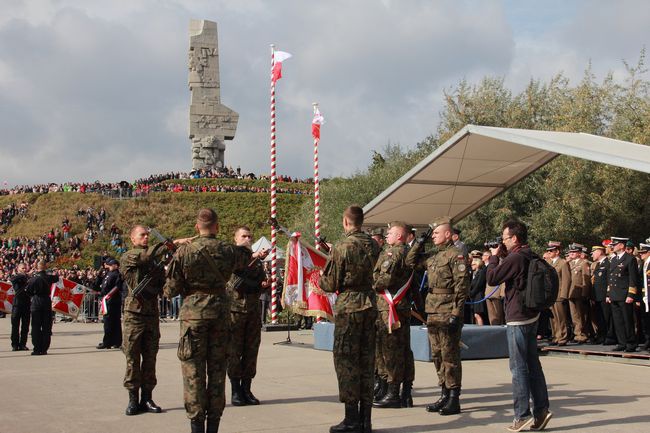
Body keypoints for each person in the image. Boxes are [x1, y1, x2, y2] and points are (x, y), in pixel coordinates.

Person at [165, 209, 263, 433]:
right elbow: (247, 259)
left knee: (194, 374)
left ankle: (197, 426)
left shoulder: (184, 252)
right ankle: (214, 425)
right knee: (217, 372)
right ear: (217, 227)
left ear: (196, 227)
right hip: (221, 314)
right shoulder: (228, 250)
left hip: (193, 318)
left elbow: (170, 290)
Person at [486, 220, 552, 432]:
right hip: (532, 315)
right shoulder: (529, 254)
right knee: (533, 365)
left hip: (518, 317)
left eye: (505, 238)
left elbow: (492, 277)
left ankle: (522, 415)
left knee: (518, 368)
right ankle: (541, 411)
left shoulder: (515, 257)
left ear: (514, 238)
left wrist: (494, 257)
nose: (502, 242)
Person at [320, 205, 380, 433]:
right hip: (370, 304)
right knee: (367, 360)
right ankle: (366, 419)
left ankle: (351, 418)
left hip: (349, 307)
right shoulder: (374, 245)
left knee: (346, 361)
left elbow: (331, 283)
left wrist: (321, 278)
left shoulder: (342, 246)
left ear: (346, 222)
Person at [406, 217, 469, 416]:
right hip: (433, 310)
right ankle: (443, 393)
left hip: (448, 309)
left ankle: (453, 397)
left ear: (448, 234)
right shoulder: (434, 257)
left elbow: (462, 287)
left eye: (436, 233)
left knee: (450, 356)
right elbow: (410, 261)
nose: (433, 236)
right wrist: (419, 242)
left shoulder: (456, 256)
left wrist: (456, 313)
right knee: (437, 355)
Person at [121, 225, 185, 416]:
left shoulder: (153, 263)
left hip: (151, 314)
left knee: (150, 358)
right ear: (132, 238)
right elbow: (147, 256)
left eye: (147, 235)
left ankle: (147, 397)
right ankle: (133, 399)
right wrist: (173, 243)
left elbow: (163, 286)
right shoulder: (130, 256)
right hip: (134, 315)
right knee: (132, 358)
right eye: (142, 235)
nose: (146, 237)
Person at [372, 221, 414, 409]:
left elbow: (385, 279)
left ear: (399, 236)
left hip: (391, 307)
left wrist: (368, 283)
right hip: (394, 307)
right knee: (397, 350)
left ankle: (393, 393)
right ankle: (400, 392)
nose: (387, 235)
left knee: (391, 351)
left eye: (390, 233)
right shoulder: (400, 252)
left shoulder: (395, 252)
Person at [227, 226, 269, 406]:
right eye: (243, 236)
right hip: (235, 311)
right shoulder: (231, 257)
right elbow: (235, 273)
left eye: (250, 236)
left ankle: (247, 388)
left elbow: (258, 281)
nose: (247, 239)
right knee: (234, 352)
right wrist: (252, 257)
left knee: (251, 351)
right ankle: (236, 391)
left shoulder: (257, 261)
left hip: (252, 310)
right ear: (236, 238)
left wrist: (264, 285)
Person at [606, 237, 639, 352]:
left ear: (621, 245)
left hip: (625, 294)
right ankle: (622, 342)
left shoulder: (630, 259)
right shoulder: (614, 259)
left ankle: (631, 343)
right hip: (615, 294)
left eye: (614, 244)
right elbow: (610, 278)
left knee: (627, 320)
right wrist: (608, 294)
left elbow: (633, 279)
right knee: (618, 321)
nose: (612, 247)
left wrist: (631, 294)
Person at [25, 260, 59, 356]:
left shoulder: (33, 279)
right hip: (46, 302)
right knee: (46, 326)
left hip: (36, 301)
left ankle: (37, 348)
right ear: (45, 267)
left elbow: (28, 291)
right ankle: (44, 348)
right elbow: (56, 278)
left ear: (37, 267)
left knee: (36, 326)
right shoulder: (49, 277)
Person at [545, 242, 571, 346]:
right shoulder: (549, 263)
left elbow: (566, 280)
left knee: (561, 317)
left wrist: (564, 294)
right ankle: (556, 336)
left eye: (551, 251)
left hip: (559, 294)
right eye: (548, 251)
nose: (549, 252)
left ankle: (563, 337)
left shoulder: (563, 263)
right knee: (553, 318)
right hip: (551, 295)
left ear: (557, 252)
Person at [567, 243, 592, 343]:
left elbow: (586, 279)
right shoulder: (570, 263)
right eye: (571, 252)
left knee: (581, 315)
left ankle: (583, 334)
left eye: (574, 252)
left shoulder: (583, 263)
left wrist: (585, 293)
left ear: (579, 253)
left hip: (579, 292)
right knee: (574, 315)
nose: (571, 254)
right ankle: (577, 334)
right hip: (571, 292)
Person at [590, 245, 614, 344]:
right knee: (600, 317)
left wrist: (608, 294)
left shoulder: (608, 263)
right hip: (597, 296)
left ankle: (609, 336)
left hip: (604, 296)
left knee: (606, 317)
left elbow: (609, 280)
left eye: (594, 252)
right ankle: (601, 335)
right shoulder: (598, 264)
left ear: (600, 252)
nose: (592, 255)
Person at [97, 258, 123, 349]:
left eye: (111, 265)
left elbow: (117, 287)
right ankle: (113, 341)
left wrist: (108, 295)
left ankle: (110, 341)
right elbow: (103, 285)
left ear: (116, 265)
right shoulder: (108, 274)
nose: (109, 266)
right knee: (109, 322)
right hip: (107, 300)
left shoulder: (117, 275)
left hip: (113, 300)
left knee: (112, 322)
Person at [10, 263, 31, 351]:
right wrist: (25, 275)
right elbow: (13, 279)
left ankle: (23, 344)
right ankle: (15, 344)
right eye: (23, 268)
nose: (24, 269)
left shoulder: (28, 278)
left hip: (26, 304)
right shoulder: (16, 277)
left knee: (25, 326)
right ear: (18, 269)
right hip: (17, 304)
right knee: (15, 325)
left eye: (25, 268)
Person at [469, 253, 487, 325]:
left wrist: (471, 293)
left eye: (473, 264)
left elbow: (478, 285)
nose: (471, 266)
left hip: (478, 295)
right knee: (475, 315)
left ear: (477, 264)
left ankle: (481, 330)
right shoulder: (473, 273)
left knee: (477, 314)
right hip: (474, 296)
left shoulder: (481, 273)